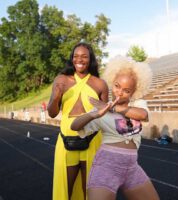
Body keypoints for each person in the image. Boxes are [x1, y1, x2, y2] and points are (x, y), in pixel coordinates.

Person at [71, 56, 160, 200]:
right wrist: (94, 114)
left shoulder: (138, 104)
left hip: (131, 168)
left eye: (126, 90)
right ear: (112, 82)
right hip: (106, 167)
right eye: (117, 86)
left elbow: (142, 115)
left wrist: (113, 108)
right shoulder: (101, 110)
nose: (119, 92)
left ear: (134, 91)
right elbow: (75, 125)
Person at [47, 42, 109, 200]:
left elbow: (105, 116)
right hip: (66, 140)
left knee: (90, 191)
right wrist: (56, 97)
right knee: (65, 190)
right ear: (71, 59)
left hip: (93, 140)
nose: (79, 60)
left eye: (84, 56)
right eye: (75, 56)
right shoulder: (61, 79)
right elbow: (52, 113)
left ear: (91, 59)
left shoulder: (100, 84)